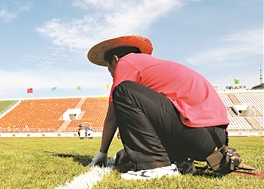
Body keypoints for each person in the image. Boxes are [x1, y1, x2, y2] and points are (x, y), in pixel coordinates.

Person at [86, 35, 241, 180]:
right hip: (215, 138)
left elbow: (112, 116)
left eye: (110, 70)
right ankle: (181, 163)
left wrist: (102, 152)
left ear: (115, 59)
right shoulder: (154, 68)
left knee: (123, 90)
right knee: (126, 151)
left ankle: (156, 165)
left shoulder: (126, 62)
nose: (113, 75)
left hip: (198, 132)